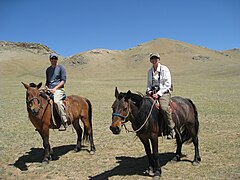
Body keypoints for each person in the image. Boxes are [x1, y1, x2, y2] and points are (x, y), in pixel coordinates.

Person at [146, 52, 175, 139]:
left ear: (159, 60)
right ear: (150, 60)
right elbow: (148, 85)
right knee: (144, 106)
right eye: (152, 59)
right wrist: (150, 92)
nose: (154, 60)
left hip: (164, 92)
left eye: (156, 58)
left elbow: (167, 84)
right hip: (153, 92)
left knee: (163, 108)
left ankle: (171, 129)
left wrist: (158, 94)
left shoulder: (164, 69)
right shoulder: (150, 71)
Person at [45, 53, 68, 131]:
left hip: (59, 89)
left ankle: (64, 121)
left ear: (57, 59)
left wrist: (55, 88)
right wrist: (46, 87)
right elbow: (47, 81)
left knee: (57, 101)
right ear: (50, 59)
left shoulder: (61, 68)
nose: (53, 60)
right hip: (49, 89)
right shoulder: (48, 70)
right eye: (52, 59)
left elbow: (63, 81)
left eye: (55, 58)